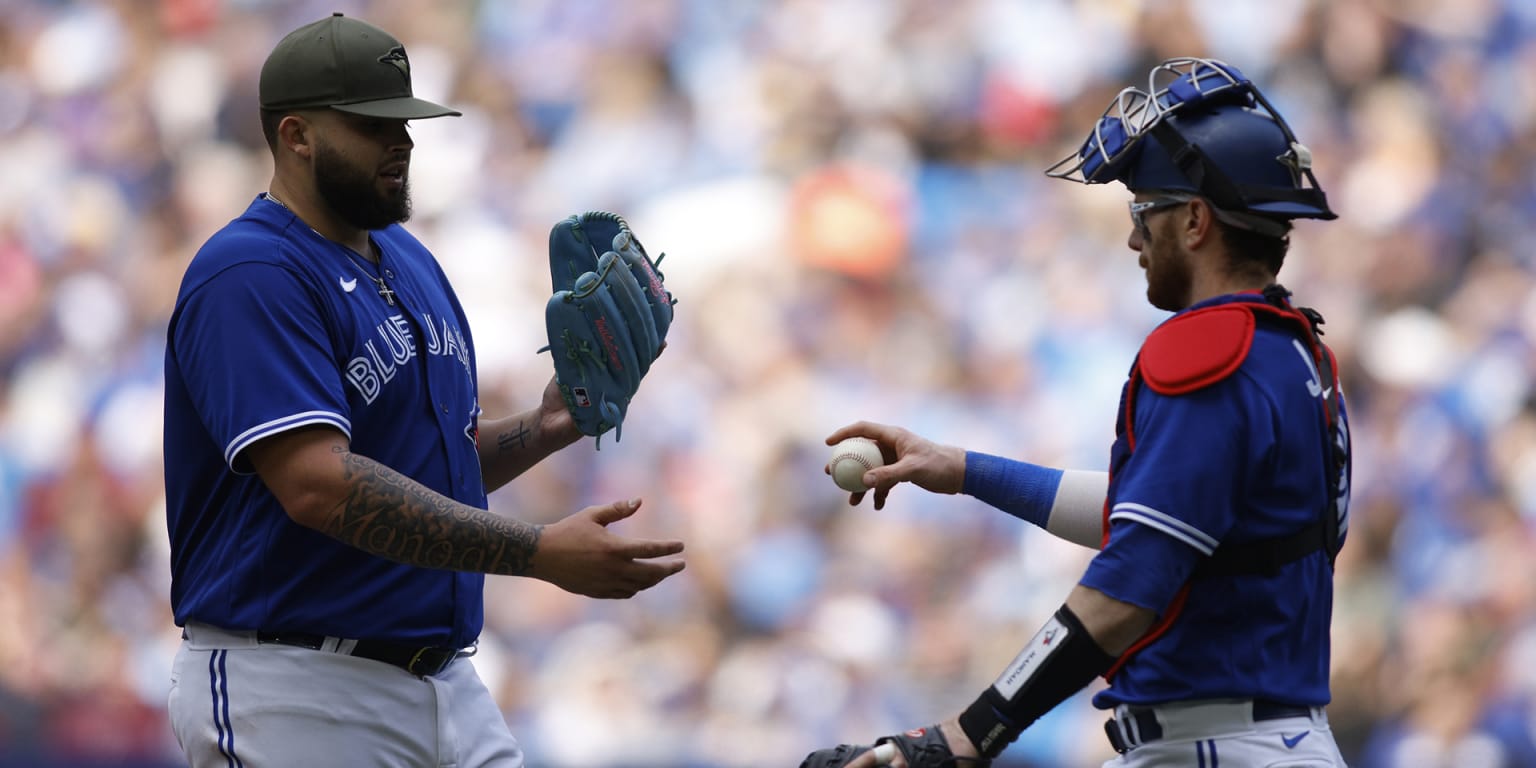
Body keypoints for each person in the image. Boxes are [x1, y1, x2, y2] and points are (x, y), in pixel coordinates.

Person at [161, 13, 685, 768]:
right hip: (293, 684)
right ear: (296, 135)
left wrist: (544, 426)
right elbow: (318, 486)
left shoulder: (407, 259)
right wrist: (534, 552)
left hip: (443, 681)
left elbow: (433, 461)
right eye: (373, 126)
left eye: (404, 121)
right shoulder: (251, 273)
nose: (400, 143)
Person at [801, 58, 1352, 768]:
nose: (1132, 239)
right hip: (1258, 739)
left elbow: (1131, 585)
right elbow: (1156, 518)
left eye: (1141, 210)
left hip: (1217, 748)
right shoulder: (1290, 351)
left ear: (1193, 220)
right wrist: (963, 469)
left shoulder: (1210, 350)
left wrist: (969, 736)